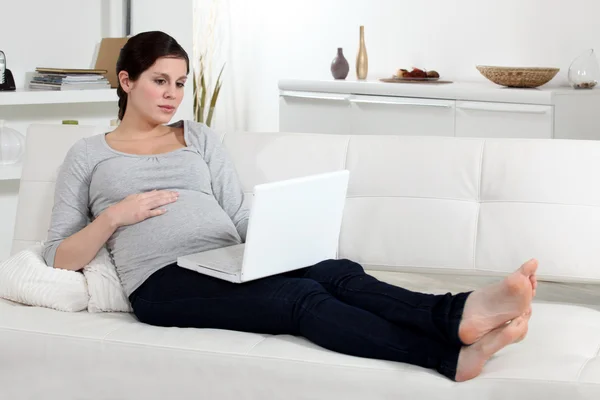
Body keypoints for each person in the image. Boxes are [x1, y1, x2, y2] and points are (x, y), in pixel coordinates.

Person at [42, 31, 538, 382]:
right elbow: (57, 256)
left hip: (226, 260)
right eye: (159, 81)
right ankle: (447, 357)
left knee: (334, 272)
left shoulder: (199, 136)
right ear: (126, 81)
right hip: (161, 282)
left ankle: (458, 314)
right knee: (298, 299)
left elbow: (235, 213)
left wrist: (278, 236)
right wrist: (113, 217)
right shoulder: (89, 154)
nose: (173, 94)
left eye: (180, 82)